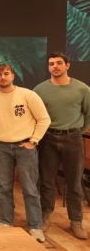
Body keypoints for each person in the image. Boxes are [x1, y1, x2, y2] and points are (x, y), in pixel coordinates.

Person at [0, 64, 50, 243]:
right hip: (1, 147)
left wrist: (34, 141)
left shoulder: (28, 95)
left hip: (25, 146)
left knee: (30, 188)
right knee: (4, 187)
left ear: (13, 76)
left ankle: (35, 226)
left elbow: (44, 119)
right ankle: (6, 222)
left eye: (6, 74)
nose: (2, 77)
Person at [34, 52, 90, 240]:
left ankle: (76, 221)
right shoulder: (39, 90)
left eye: (59, 63)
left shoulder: (82, 89)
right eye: (51, 64)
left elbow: (88, 114)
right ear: (48, 67)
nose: (55, 67)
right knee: (46, 181)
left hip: (73, 138)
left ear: (68, 65)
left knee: (74, 183)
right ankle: (45, 215)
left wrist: (77, 130)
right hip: (48, 138)